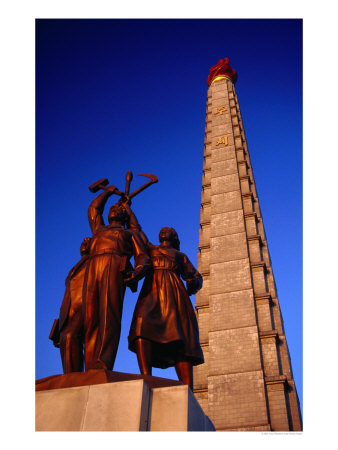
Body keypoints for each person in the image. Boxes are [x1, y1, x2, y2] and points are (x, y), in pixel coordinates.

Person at [127, 218, 204, 389]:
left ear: (174, 237)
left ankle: (187, 387)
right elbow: (137, 229)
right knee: (141, 325)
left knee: (180, 336)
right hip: (151, 290)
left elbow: (196, 276)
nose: (164, 231)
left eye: (168, 230)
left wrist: (193, 282)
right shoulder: (151, 248)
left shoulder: (180, 256)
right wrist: (128, 210)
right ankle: (145, 376)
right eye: (162, 230)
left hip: (174, 293)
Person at [82, 187, 151, 371]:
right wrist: (108, 192)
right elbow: (94, 209)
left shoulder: (130, 234)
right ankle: (89, 365)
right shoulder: (99, 229)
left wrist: (136, 273)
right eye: (112, 208)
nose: (114, 209)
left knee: (108, 315)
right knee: (89, 318)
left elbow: (143, 256)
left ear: (125, 215)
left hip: (114, 265)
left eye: (118, 209)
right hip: (92, 267)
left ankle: (102, 363)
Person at [56, 237, 91, 373]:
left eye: (87, 243)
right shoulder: (74, 267)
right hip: (68, 310)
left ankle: (74, 377)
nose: (84, 244)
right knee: (65, 340)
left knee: (71, 336)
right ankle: (69, 377)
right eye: (82, 243)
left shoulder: (94, 261)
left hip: (84, 305)